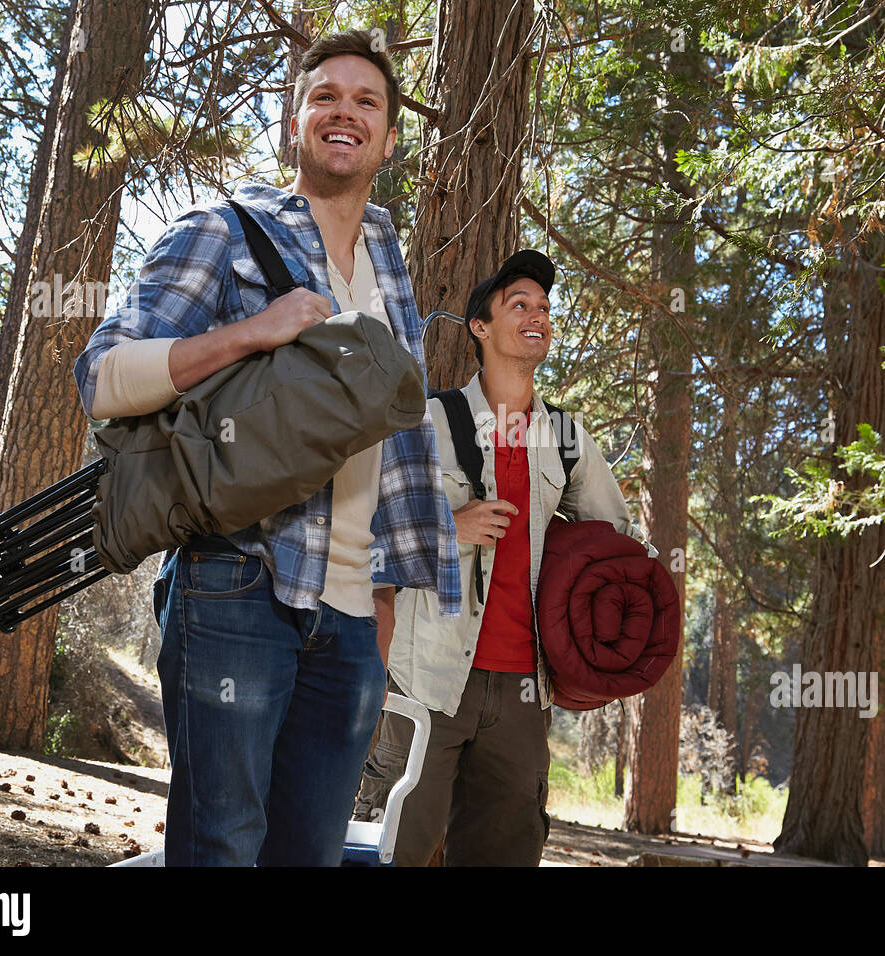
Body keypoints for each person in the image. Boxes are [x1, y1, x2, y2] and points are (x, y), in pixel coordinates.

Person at [72, 30, 460, 866]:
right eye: (325, 96)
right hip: (238, 583)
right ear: (293, 124)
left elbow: (389, 448)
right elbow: (102, 376)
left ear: (390, 138)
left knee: (310, 858)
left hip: (353, 621)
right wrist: (253, 332)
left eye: (368, 101)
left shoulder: (390, 261)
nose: (345, 113)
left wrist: (382, 606)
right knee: (221, 848)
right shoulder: (222, 229)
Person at [354, 250, 652, 866]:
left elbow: (617, 550)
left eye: (544, 306)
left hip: (523, 691)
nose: (537, 314)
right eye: (519, 304)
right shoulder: (426, 422)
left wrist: (593, 653)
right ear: (480, 329)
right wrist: (448, 528)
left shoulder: (567, 440)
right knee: (395, 850)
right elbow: (359, 543)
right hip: (424, 683)